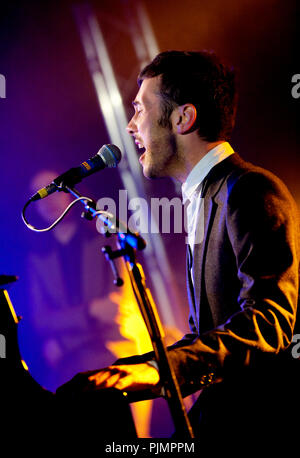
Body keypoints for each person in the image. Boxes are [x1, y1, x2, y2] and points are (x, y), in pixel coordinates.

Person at [57, 51, 300, 445]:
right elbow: (211, 331)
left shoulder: (251, 191)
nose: (132, 125)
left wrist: (162, 370)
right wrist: (144, 368)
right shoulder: (206, 198)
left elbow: (269, 323)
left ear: (183, 118)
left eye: (140, 109)